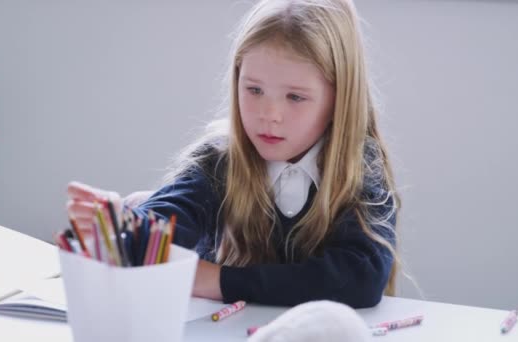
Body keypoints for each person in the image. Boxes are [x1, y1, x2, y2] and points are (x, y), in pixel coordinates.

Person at [67, 0, 400, 308]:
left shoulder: (359, 169)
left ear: (339, 100)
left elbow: (361, 277)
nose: (269, 114)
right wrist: (123, 223)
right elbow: (167, 223)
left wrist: (218, 281)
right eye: (254, 90)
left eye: (295, 97)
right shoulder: (219, 160)